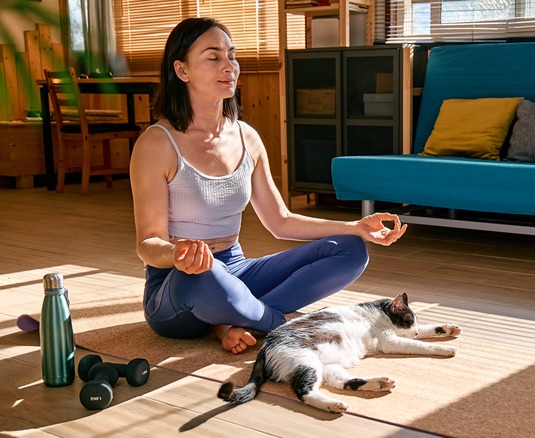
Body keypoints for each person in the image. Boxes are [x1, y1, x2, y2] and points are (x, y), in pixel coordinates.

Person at [129, 17, 407, 355]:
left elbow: (280, 221)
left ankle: (236, 320)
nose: (229, 66)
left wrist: (355, 227)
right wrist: (176, 254)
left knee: (350, 249)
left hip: (236, 270)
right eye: (213, 57)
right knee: (205, 274)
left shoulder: (247, 137)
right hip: (178, 287)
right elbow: (148, 243)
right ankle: (284, 322)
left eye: (232, 56)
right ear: (182, 70)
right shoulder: (156, 144)